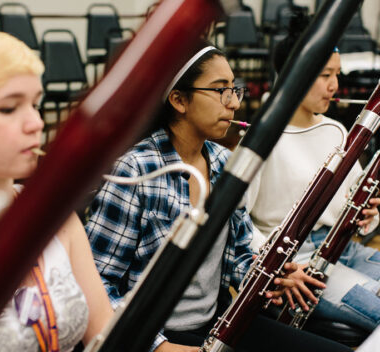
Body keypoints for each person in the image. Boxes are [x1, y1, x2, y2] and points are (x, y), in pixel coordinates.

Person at [86, 42, 352, 352]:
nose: (234, 104)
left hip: (216, 321)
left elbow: (238, 254)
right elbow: (96, 286)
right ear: (179, 100)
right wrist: (159, 347)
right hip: (156, 333)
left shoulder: (225, 162)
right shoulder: (138, 170)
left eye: (234, 90)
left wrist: (272, 277)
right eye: (219, 90)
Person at [0, 27, 113, 350]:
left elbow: (105, 333)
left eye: (36, 104)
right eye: (9, 108)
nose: (36, 123)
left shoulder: (57, 214)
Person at [246, 13, 380, 333]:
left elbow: (356, 209)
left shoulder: (335, 130)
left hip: (343, 248)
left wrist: (370, 214)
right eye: (324, 75)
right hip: (300, 263)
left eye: (337, 74)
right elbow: (240, 225)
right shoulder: (261, 139)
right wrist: (277, 269)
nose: (334, 85)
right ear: (295, 74)